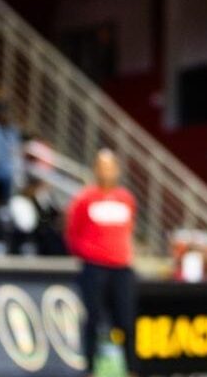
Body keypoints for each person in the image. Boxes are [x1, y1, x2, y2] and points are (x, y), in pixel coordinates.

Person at [66, 149, 137, 376]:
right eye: (102, 166)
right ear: (96, 169)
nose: (106, 171)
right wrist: (90, 253)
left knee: (126, 321)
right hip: (94, 268)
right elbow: (72, 234)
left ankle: (132, 369)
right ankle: (89, 369)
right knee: (93, 319)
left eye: (110, 166)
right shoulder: (84, 199)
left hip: (121, 269)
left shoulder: (127, 199)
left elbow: (128, 229)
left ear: (117, 170)